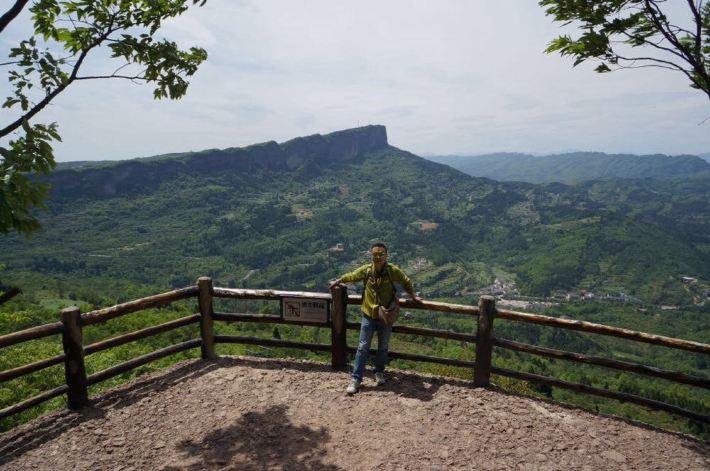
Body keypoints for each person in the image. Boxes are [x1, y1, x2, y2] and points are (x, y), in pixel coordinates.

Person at [329, 242, 422, 394]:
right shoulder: (366, 270)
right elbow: (352, 275)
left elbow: (406, 280)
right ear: (371, 255)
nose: (378, 257)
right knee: (362, 347)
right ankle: (356, 378)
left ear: (386, 255)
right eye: (375, 255)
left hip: (385, 315)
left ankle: (379, 372)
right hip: (368, 314)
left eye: (381, 254)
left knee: (383, 347)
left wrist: (413, 296)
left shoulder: (392, 271)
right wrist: (338, 281)